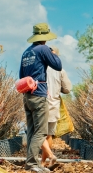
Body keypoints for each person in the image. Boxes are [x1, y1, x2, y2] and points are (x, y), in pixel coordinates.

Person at [19, 23, 62, 172]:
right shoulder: (43, 49)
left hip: (27, 96)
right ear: (45, 37)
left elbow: (21, 76)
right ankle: (31, 164)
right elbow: (57, 65)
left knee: (31, 130)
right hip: (39, 95)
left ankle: (31, 163)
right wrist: (52, 54)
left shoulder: (26, 52)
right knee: (42, 131)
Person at [41, 46, 72, 168]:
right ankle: (44, 163)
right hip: (53, 106)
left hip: (40, 104)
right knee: (48, 135)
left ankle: (50, 155)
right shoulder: (61, 71)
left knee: (37, 134)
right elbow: (68, 89)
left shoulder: (40, 68)